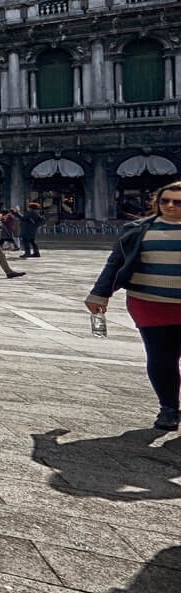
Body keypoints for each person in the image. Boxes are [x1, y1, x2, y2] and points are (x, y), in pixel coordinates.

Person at [86, 181, 181, 431]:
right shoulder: (138, 230)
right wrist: (99, 294)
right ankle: (169, 408)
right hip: (150, 304)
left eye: (177, 202)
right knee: (162, 358)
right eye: (165, 200)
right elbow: (115, 263)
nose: (170, 205)